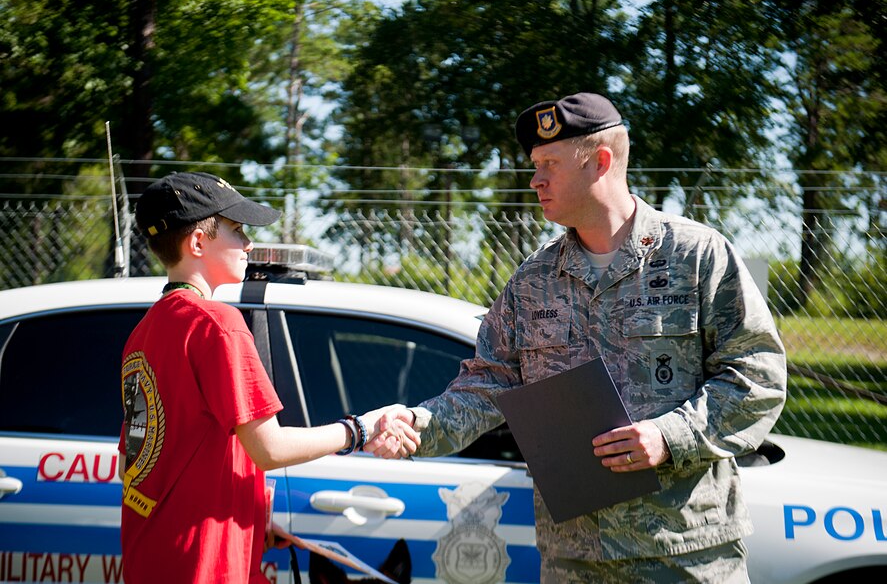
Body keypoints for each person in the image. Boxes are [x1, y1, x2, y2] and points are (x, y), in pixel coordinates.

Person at [367, 92, 787, 583]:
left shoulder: (696, 256)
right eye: (534, 164)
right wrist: (415, 425)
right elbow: (487, 388)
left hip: (685, 552)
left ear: (600, 163)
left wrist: (669, 436)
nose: (535, 178)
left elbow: (757, 377)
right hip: (575, 559)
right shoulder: (533, 279)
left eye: (549, 163)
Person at [118, 171, 417, 583]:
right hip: (202, 565)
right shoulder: (217, 323)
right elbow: (269, 448)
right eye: (237, 230)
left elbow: (141, 458)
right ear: (198, 243)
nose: (248, 244)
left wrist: (248, 519)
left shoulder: (145, 330)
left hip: (154, 556)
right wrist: (359, 431)